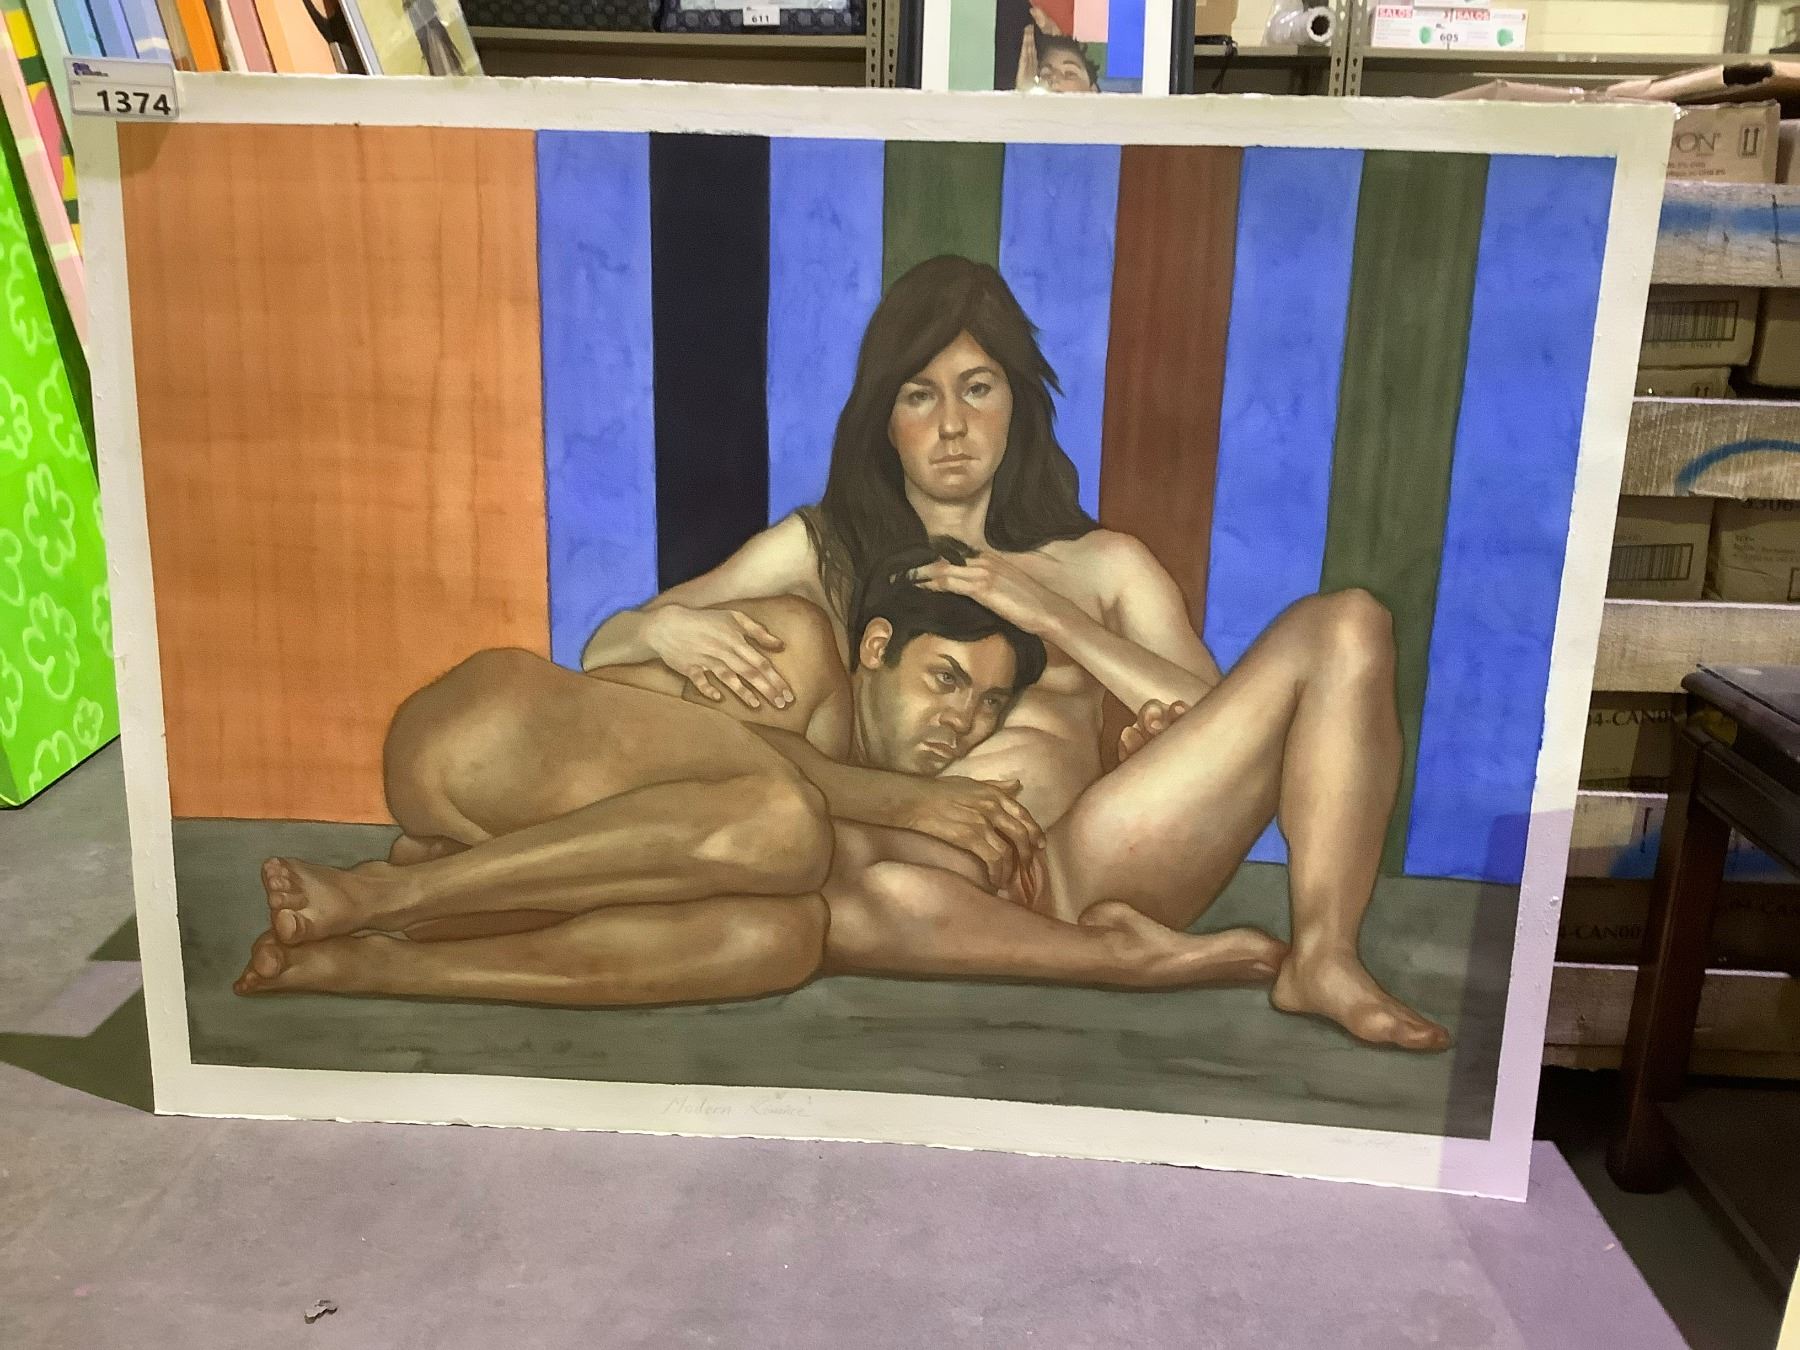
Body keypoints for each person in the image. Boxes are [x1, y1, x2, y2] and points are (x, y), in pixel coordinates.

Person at [581, 256, 1449, 1051]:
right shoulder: (822, 549)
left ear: (1015, 403)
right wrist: (660, 626)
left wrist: (1054, 619)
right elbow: (603, 658)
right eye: (919, 396)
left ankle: (1324, 957)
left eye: (977, 389)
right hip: (902, 868)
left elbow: (1220, 726)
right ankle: (1094, 956)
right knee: (844, 894)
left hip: (1089, 863)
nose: (953, 426)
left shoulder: (1104, 565)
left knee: (1350, 623)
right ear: (885, 419)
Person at [234, 544, 1283, 1004]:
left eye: (986, 707)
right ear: (876, 647)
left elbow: (833, 877)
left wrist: (1100, 948)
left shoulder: (859, 777)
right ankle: (384, 899)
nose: (961, 723)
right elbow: (727, 762)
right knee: (785, 827)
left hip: (524, 827)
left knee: (779, 937)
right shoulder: (799, 649)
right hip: (476, 735)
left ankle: (385, 965)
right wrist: (907, 801)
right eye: (945, 680)